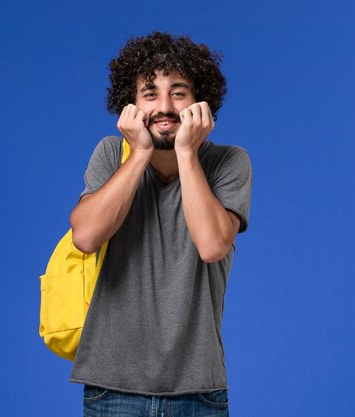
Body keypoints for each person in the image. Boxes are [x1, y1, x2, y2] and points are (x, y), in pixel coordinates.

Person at [69, 32, 252, 417]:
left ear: (201, 101)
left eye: (179, 92)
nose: (164, 106)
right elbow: (85, 237)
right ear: (131, 105)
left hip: (198, 391)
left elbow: (212, 245)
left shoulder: (229, 162)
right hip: (111, 389)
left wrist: (186, 151)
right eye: (150, 93)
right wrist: (138, 155)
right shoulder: (110, 154)